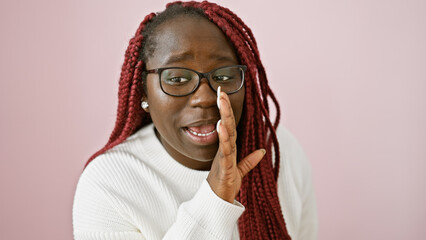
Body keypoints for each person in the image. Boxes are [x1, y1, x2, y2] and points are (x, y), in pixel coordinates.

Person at [72, 1, 318, 239]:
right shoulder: (107, 184)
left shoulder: (279, 151)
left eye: (223, 76)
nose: (205, 98)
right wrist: (216, 198)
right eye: (177, 79)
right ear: (143, 92)